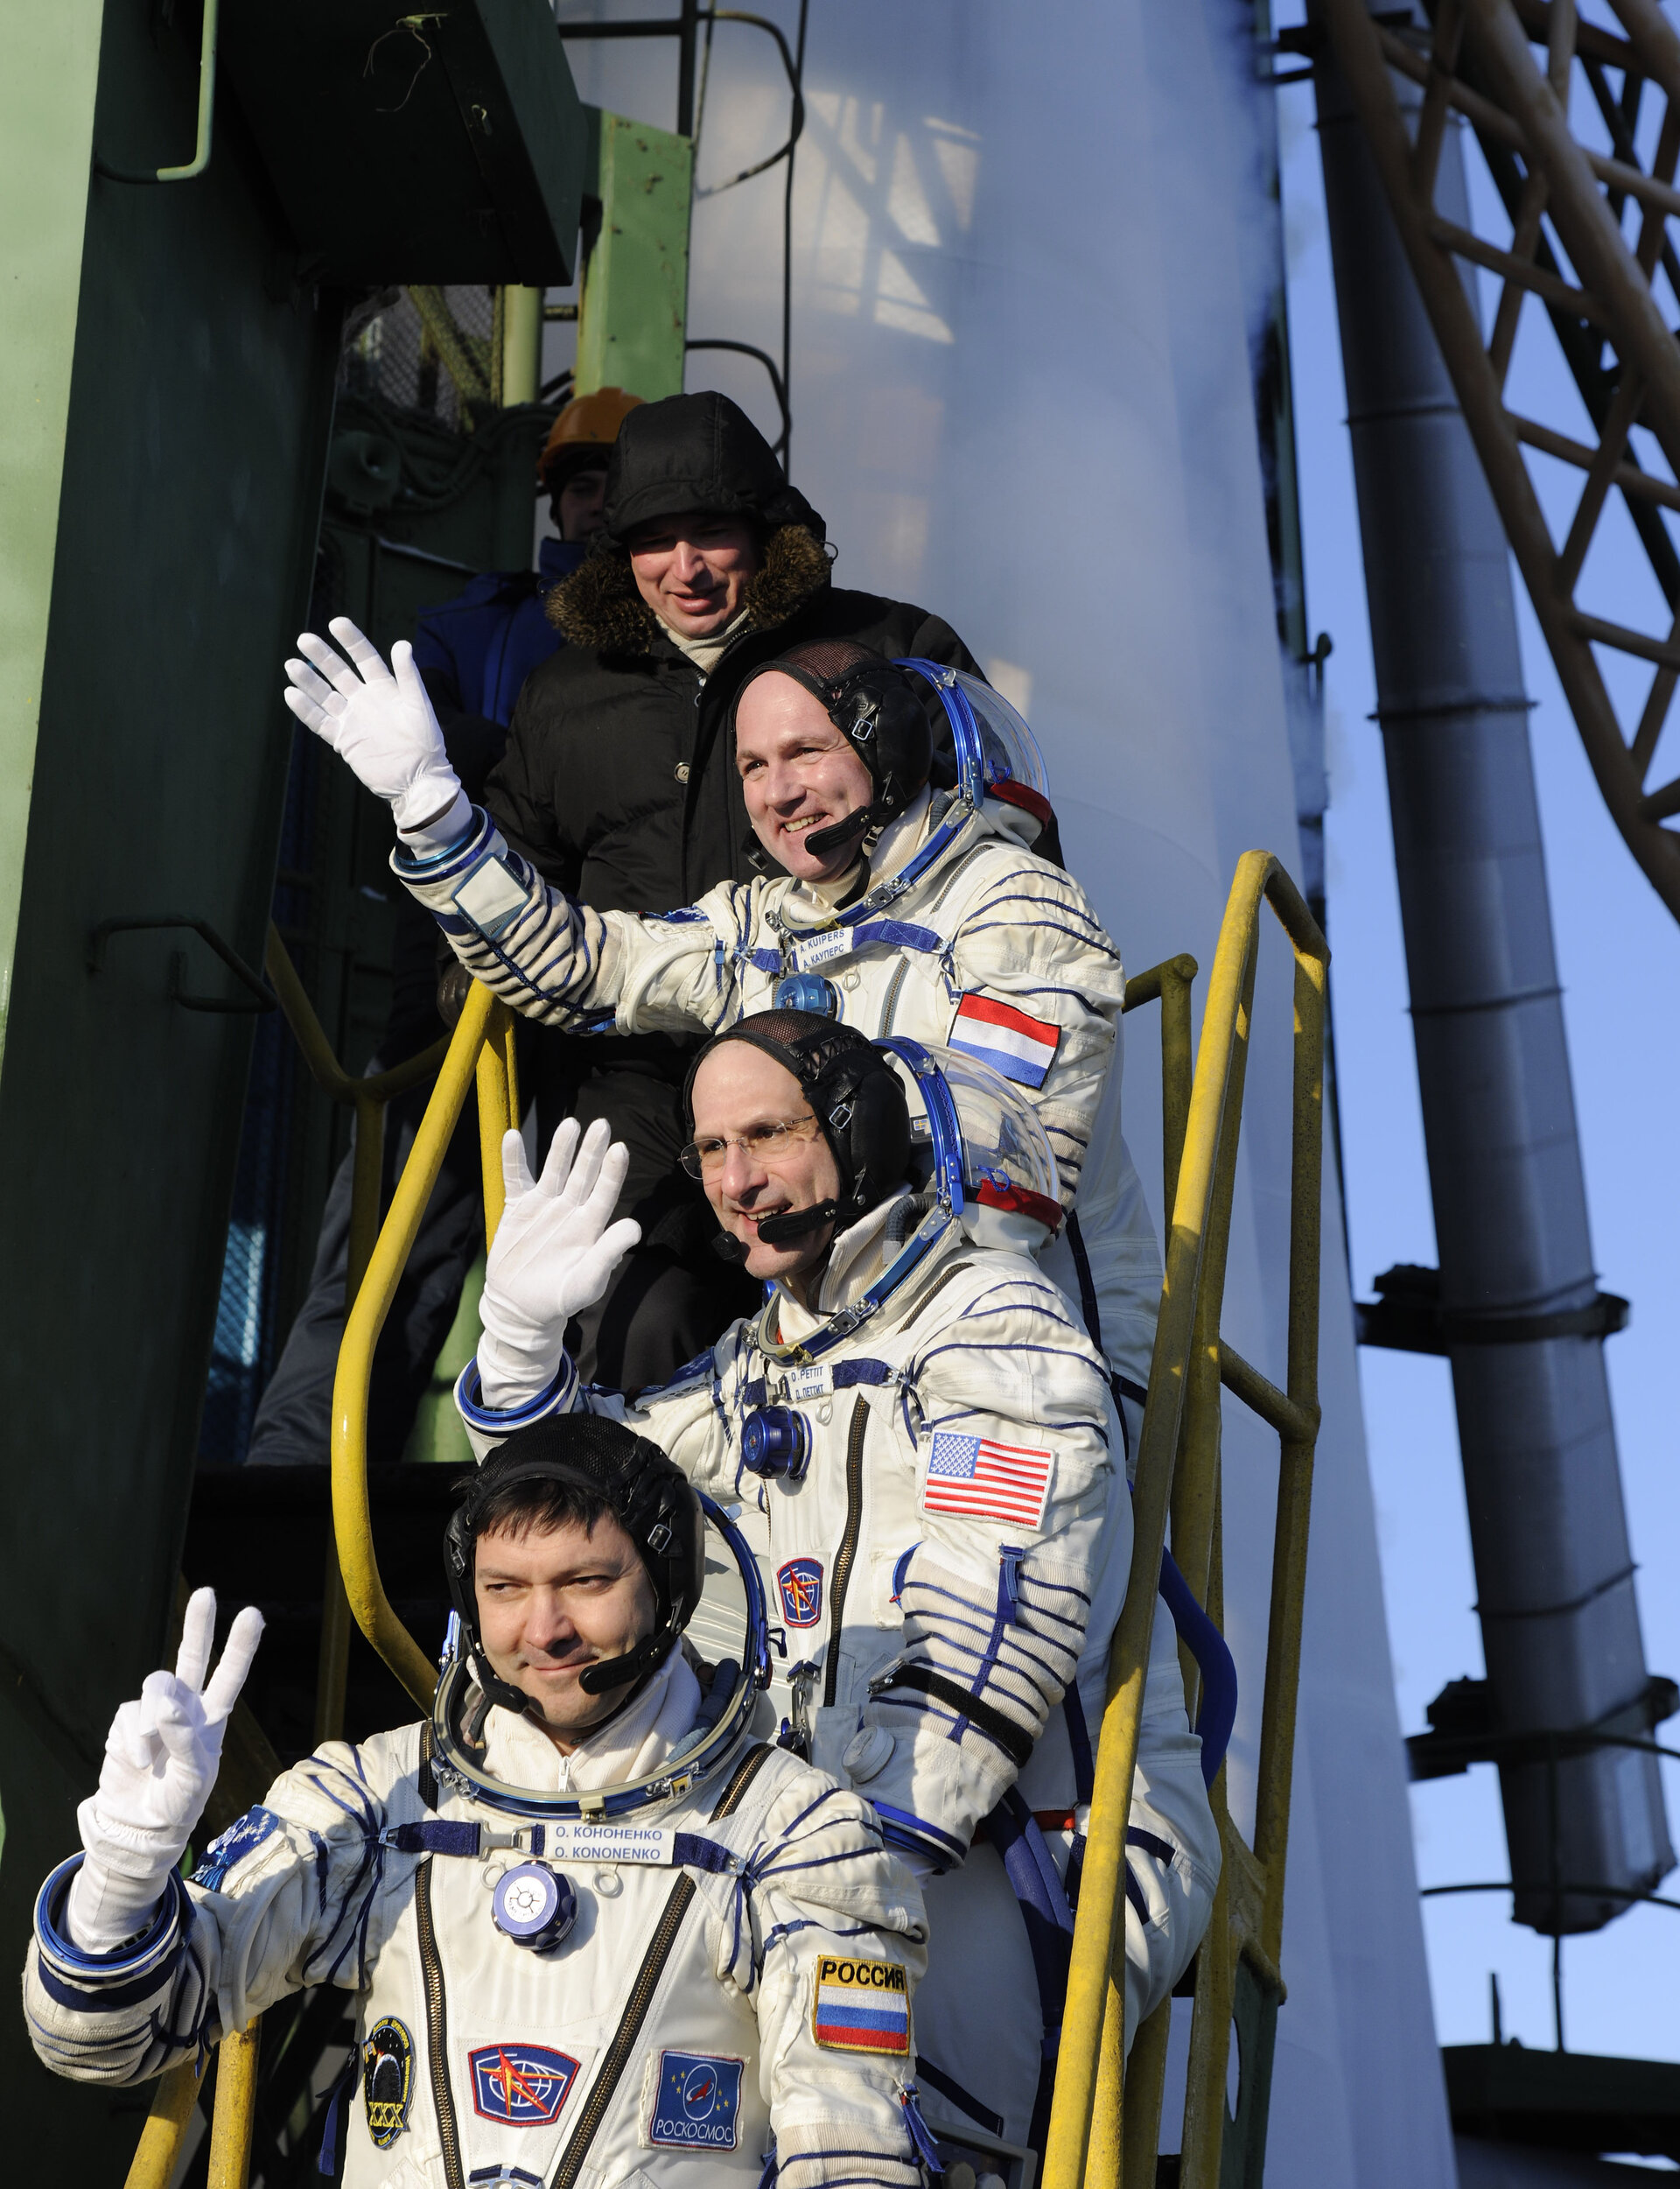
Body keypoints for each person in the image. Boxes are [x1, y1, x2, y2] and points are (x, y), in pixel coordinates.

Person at [450, 1017, 1221, 2163]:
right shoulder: (765, 1355)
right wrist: (518, 1344)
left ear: (858, 1133)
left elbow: (992, 1639)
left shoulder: (996, 1334)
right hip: (814, 1843)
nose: (734, 1180)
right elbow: (585, 1526)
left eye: (765, 1135)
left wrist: (824, 1858)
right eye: (710, 1150)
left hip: (1028, 1853)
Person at [283, 628, 1164, 1440]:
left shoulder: (1016, 908)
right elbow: (585, 961)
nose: (778, 791)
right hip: (828, 1351)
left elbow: (1000, 1176)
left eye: (806, 752)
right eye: (751, 766)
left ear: (886, 748)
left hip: (1027, 1362)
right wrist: (436, 814)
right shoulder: (761, 923)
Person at [24, 1436, 934, 2189]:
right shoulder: (373, 1801)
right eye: (504, 1589)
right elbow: (107, 2044)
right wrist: (122, 1878)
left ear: (665, 1588)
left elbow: (851, 2155)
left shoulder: (791, 1834)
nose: (542, 1629)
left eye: (585, 1580)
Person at [461, 389, 984, 1393]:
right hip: (642, 1084)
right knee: (640, 1317)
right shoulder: (570, 697)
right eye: (655, 540)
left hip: (856, 1065)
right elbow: (523, 865)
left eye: (713, 533)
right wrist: (458, 980)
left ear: (768, 533)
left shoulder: (890, 650)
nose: (686, 568)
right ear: (620, 553)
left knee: (877, 1337)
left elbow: (996, 838)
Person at [246, 389, 640, 1464]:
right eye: (586, 487)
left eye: (622, 491)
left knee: (603, 1254)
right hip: (457, 992)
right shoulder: (478, 624)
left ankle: (581, 1487)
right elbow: (418, 757)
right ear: (557, 502)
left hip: (617, 1008)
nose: (603, 514)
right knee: (387, 1249)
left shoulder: (682, 656)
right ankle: (300, 1472)